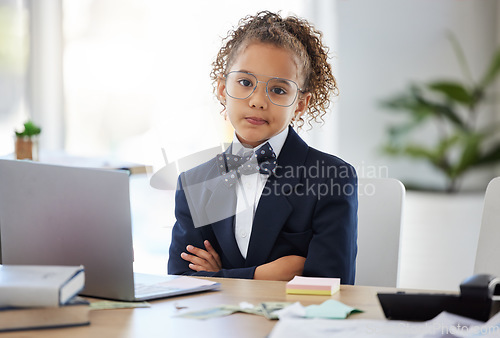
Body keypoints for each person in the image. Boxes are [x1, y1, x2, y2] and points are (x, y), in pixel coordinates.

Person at [167, 11, 357, 284]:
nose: (258, 101)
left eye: (278, 90)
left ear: (300, 104)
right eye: (245, 83)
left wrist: (218, 276)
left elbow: (331, 283)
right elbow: (181, 280)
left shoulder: (332, 177)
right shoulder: (193, 183)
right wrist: (262, 275)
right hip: (217, 326)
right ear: (223, 89)